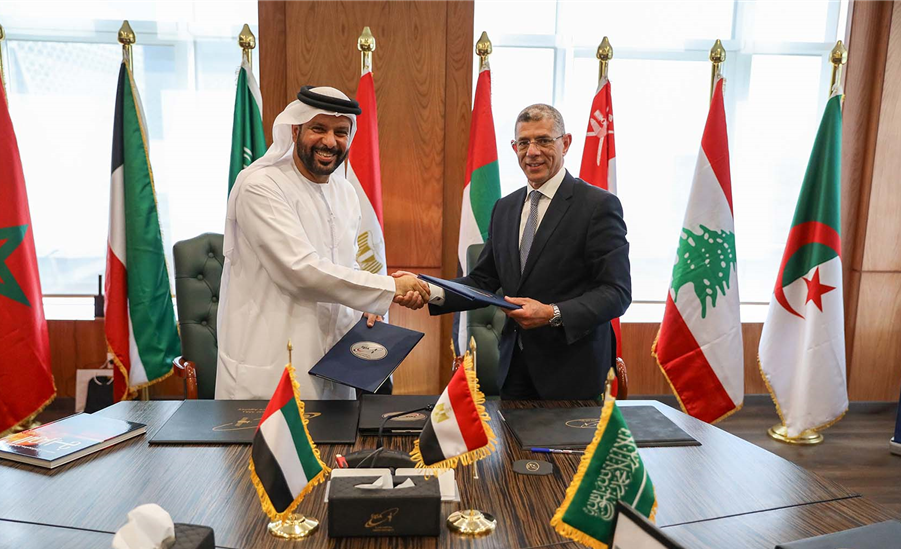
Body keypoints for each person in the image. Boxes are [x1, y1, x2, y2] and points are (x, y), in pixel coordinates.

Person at [216, 86, 428, 400]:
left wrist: (368, 306)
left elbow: (344, 265)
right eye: (319, 128)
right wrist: (389, 288)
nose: (330, 141)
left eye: (341, 132)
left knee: (338, 434)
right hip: (270, 365)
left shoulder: (345, 192)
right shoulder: (260, 186)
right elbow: (300, 271)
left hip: (337, 367)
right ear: (295, 130)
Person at [426, 103, 630, 399]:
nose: (532, 152)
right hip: (513, 370)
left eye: (544, 140)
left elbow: (616, 292)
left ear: (566, 143)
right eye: (524, 143)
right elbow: (482, 281)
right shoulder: (505, 208)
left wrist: (551, 313)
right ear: (514, 148)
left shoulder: (597, 205)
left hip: (574, 374)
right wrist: (428, 290)